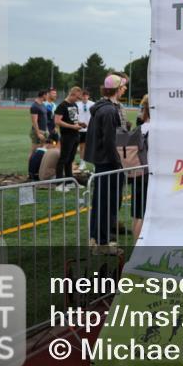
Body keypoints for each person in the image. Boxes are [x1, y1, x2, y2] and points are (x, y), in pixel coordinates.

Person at [83, 74, 129, 249]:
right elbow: (110, 141)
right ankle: (102, 241)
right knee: (107, 203)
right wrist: (118, 163)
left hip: (102, 161)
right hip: (109, 162)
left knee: (100, 201)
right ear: (116, 89)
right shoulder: (109, 110)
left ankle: (96, 237)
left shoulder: (101, 108)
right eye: (122, 86)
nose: (124, 89)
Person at [128, 94, 150, 240]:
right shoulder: (156, 129)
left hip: (137, 172)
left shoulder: (139, 128)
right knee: (143, 214)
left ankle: (136, 247)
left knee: (137, 214)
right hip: (149, 174)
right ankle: (140, 249)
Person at [54, 87, 85, 181]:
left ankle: (69, 181)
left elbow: (73, 119)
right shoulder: (62, 106)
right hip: (67, 136)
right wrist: (73, 127)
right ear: (72, 94)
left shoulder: (74, 104)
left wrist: (80, 123)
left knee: (70, 159)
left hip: (75, 135)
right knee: (63, 159)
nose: (78, 100)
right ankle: (59, 183)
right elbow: (57, 121)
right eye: (77, 98)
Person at [29, 90, 48, 159]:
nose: (47, 97)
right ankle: (31, 169)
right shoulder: (34, 106)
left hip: (44, 131)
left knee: (41, 151)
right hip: (37, 131)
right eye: (47, 95)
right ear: (43, 95)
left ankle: (38, 168)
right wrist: (38, 133)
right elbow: (34, 121)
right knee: (34, 151)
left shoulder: (42, 104)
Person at [76, 89, 93, 171]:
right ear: (81, 96)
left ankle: (94, 163)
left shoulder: (93, 104)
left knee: (91, 147)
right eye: (83, 95)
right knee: (82, 147)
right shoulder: (77, 105)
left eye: (86, 95)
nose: (84, 97)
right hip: (80, 129)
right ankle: (83, 163)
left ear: (88, 96)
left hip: (90, 129)